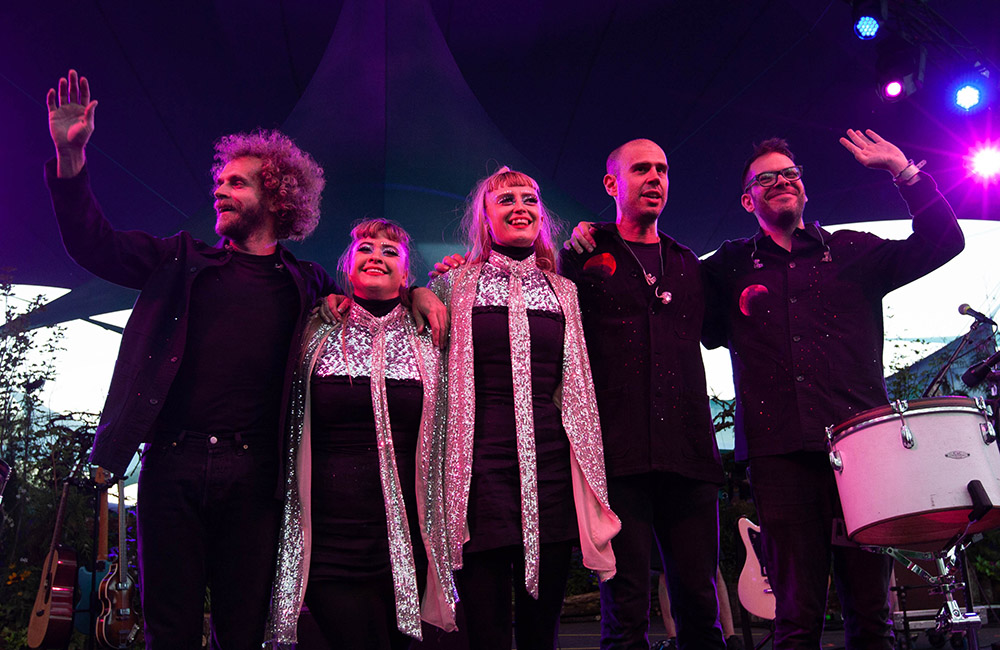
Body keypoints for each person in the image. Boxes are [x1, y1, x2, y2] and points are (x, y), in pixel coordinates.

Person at [44, 69, 447, 648]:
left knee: (243, 629)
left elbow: (371, 293)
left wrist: (420, 292)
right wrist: (70, 159)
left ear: (278, 196)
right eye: (220, 182)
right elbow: (94, 245)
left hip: (257, 475)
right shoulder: (180, 261)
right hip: (173, 465)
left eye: (237, 183)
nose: (220, 191)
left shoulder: (307, 283)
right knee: (170, 629)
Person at [700, 130, 965, 649]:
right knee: (795, 618)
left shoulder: (850, 250)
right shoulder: (729, 266)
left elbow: (943, 242)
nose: (782, 181)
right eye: (766, 178)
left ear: (804, 189)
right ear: (747, 200)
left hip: (863, 452)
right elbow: (667, 290)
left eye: (790, 174)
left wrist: (903, 171)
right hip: (780, 459)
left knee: (870, 614)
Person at [429, 167, 620, 650]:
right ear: (485, 218)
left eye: (529, 199)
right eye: (506, 199)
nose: (520, 207)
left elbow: (576, 387)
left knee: (542, 629)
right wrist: (418, 291)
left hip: (551, 470)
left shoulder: (563, 290)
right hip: (478, 474)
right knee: (486, 630)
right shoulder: (455, 285)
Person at [560, 139, 726, 650]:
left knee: (699, 604)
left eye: (662, 169)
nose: (655, 178)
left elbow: (725, 330)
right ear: (612, 184)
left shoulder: (688, 263)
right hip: (618, 456)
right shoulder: (584, 254)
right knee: (625, 607)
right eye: (641, 169)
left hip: (688, 456)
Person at [266, 219, 455, 649]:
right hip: (329, 543)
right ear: (347, 267)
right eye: (365, 249)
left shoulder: (430, 332)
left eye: (390, 252)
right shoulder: (314, 327)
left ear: (406, 275)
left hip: (407, 544)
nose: (376, 257)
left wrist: (423, 295)